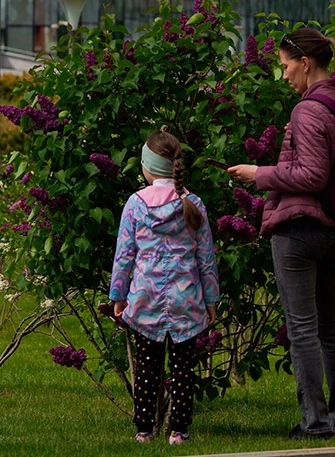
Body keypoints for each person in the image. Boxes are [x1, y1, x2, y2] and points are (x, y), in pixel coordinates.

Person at [228, 28, 335, 440]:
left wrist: (260, 174)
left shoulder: (308, 110)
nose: (284, 76)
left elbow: (311, 174)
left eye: (286, 66)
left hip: (299, 230)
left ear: (305, 63)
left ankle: (316, 425)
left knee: (303, 329)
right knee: (332, 330)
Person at [109, 130, 219, 445]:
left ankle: (144, 431)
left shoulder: (134, 204)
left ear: (147, 168)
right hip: (187, 302)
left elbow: (124, 255)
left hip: (145, 302)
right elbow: (206, 258)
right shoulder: (193, 203)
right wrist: (210, 300)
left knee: (146, 369)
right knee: (183, 370)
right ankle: (179, 432)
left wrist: (118, 295)